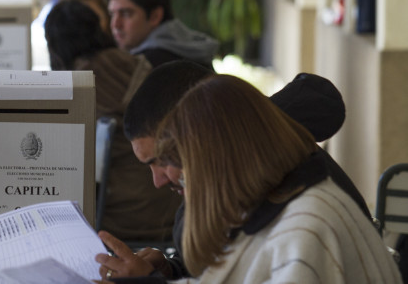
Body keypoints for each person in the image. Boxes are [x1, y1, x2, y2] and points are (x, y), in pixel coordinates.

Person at [96, 68, 392, 283]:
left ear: (216, 144)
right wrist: (171, 272)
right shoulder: (271, 193)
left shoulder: (304, 224)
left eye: (172, 159)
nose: (165, 178)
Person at [45, 0, 182, 242]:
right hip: (169, 203)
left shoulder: (77, 85)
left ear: (55, 45)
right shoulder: (136, 63)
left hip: (119, 212)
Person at [106, 0, 218, 69]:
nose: (115, 24)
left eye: (126, 14)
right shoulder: (193, 48)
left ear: (155, 16)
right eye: (112, 14)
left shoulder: (148, 64)